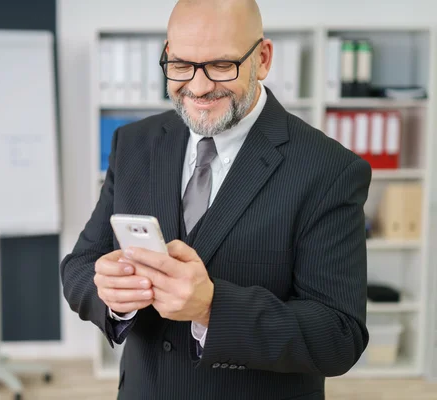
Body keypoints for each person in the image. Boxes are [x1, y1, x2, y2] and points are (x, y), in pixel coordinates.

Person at [60, 0, 371, 398]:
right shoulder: (133, 144)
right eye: (182, 65)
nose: (199, 86)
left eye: (222, 65)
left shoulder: (329, 169)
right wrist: (113, 296)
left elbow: (339, 336)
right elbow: (80, 266)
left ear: (262, 59)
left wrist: (212, 308)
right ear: (168, 56)